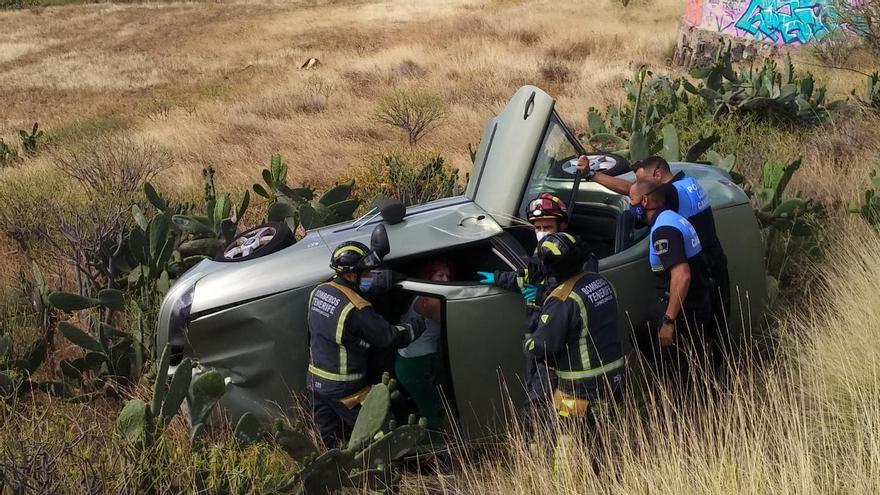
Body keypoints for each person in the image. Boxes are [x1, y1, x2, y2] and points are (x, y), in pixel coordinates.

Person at [579, 155, 730, 332]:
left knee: (690, 334)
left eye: (642, 181)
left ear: (658, 175)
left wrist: (591, 173)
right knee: (718, 325)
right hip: (713, 261)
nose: (639, 186)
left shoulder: (673, 193)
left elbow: (631, 190)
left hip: (696, 276)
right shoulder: (689, 182)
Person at [307, 240, 425, 448]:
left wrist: (375, 286)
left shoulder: (319, 291)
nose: (371, 276)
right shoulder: (358, 310)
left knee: (329, 443)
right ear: (351, 275)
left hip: (316, 383)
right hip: (347, 390)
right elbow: (388, 337)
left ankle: (339, 478)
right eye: (367, 273)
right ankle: (389, 476)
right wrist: (416, 325)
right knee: (382, 436)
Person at [524, 232, 624, 469]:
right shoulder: (600, 282)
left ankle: (564, 487)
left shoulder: (562, 299)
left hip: (577, 388)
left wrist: (530, 340)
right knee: (604, 441)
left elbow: (543, 345)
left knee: (563, 449)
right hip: (614, 379)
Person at [476, 193, 574, 418]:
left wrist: (541, 296)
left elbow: (571, 300)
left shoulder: (574, 259)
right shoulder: (540, 255)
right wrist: (498, 277)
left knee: (538, 403)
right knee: (535, 390)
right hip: (535, 338)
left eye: (547, 226)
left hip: (555, 343)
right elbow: (527, 278)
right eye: (537, 227)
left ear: (562, 225)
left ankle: (538, 444)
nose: (541, 232)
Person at [628, 180, 714, 387]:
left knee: (683, 372)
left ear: (645, 200)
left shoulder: (664, 230)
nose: (630, 206)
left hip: (683, 309)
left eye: (631, 200)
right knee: (642, 333)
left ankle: (686, 407)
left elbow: (682, 275)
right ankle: (666, 380)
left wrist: (669, 321)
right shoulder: (672, 218)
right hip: (694, 301)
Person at [394, 258, 452, 432]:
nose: (445, 281)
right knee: (432, 411)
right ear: (428, 276)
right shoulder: (431, 301)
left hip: (408, 361)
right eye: (440, 276)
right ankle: (436, 447)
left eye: (448, 276)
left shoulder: (420, 295)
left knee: (427, 405)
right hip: (416, 363)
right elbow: (453, 322)